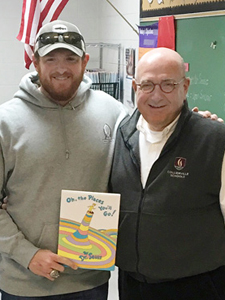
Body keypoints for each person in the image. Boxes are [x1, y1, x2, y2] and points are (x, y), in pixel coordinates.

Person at [0, 20, 127, 299]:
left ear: (85, 62)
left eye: (71, 58)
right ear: (35, 62)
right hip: (24, 281)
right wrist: (26, 254)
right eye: (51, 58)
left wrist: (197, 125)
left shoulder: (114, 113)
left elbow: (153, 143)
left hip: (90, 280)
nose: (61, 68)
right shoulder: (5, 123)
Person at [109, 47, 225, 300]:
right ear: (134, 87)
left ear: (185, 87)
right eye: (147, 85)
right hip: (132, 283)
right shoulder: (122, 134)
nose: (156, 95)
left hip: (197, 285)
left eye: (168, 84)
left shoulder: (215, 140)